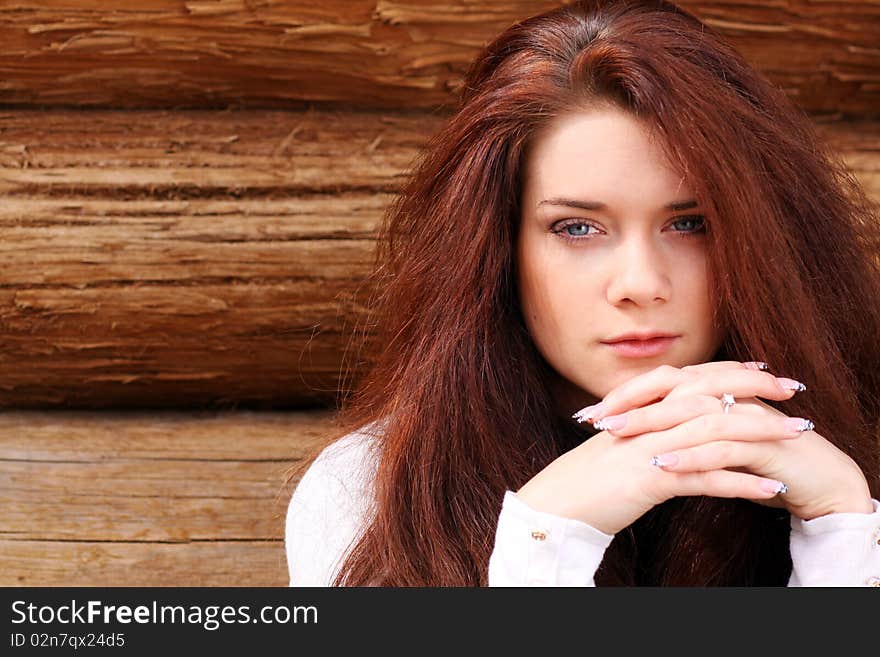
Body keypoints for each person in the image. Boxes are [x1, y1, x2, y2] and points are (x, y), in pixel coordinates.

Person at [284, 0, 880, 586]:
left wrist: (844, 536)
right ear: (496, 248)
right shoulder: (371, 489)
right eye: (577, 228)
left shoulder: (850, 466)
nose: (641, 284)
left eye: (690, 224)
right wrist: (548, 544)